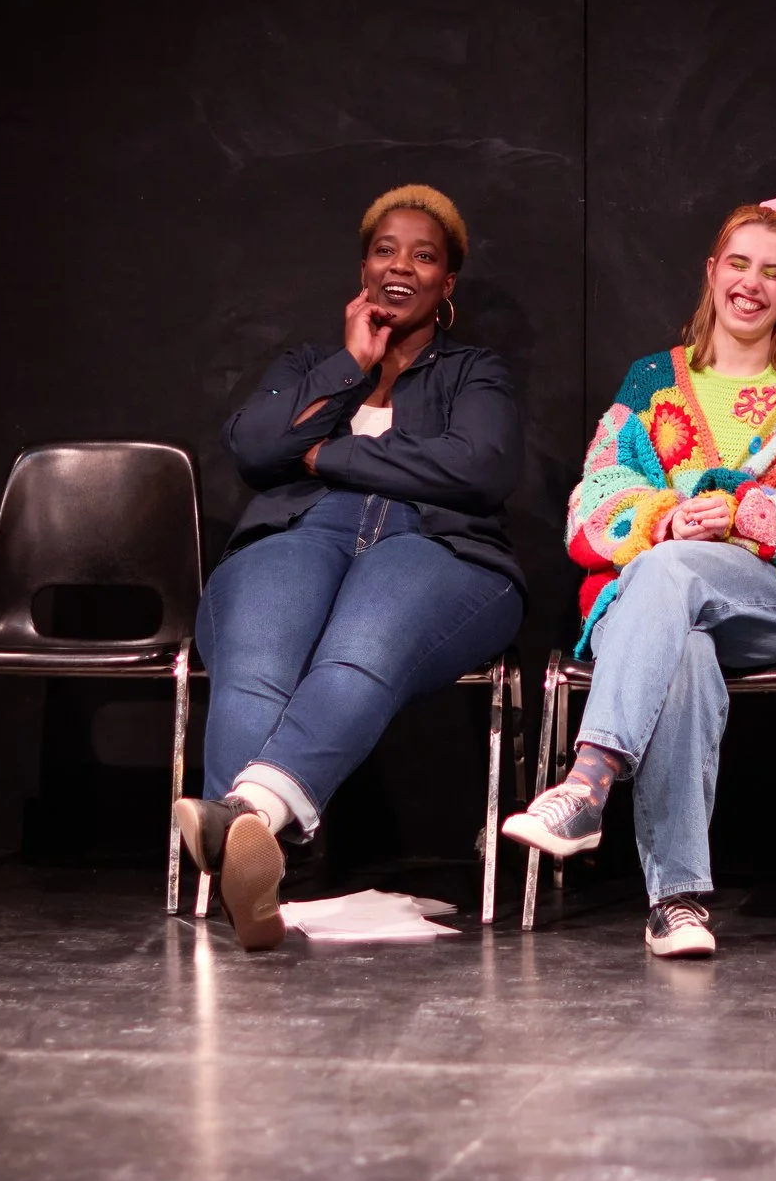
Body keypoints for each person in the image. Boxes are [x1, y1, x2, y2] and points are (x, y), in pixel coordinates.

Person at [503, 198, 776, 958]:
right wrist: (668, 517)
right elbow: (591, 502)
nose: (751, 283)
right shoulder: (650, 382)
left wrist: (740, 518)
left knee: (673, 573)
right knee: (686, 643)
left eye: (774, 272)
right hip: (663, 606)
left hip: (775, 602)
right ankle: (677, 902)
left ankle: (591, 777)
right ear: (711, 271)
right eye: (738, 263)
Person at [176, 186, 525, 952]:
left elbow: (479, 468)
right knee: (257, 662)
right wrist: (350, 366)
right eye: (385, 250)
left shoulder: (474, 372)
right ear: (363, 267)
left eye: (424, 255)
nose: (402, 265)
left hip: (435, 545)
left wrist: (327, 453)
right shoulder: (311, 365)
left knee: (358, 650)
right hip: (303, 531)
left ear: (448, 283)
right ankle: (256, 869)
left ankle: (248, 829)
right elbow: (255, 448)